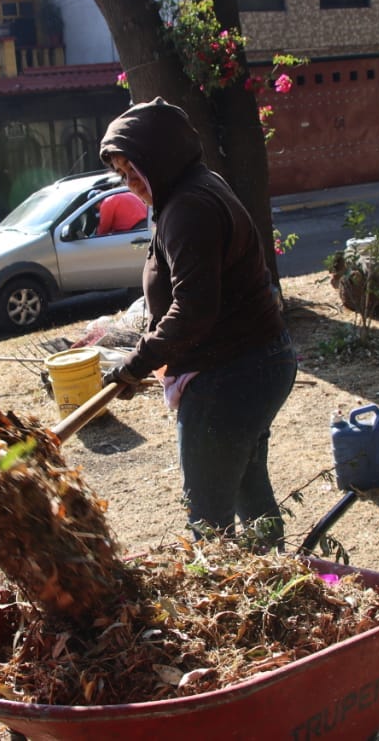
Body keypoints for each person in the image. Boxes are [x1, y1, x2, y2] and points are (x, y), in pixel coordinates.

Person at [98, 98, 296, 551]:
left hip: (230, 374)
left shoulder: (189, 208)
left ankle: (230, 598)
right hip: (257, 362)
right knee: (247, 482)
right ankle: (279, 574)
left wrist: (138, 363)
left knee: (208, 519)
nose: (130, 185)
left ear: (160, 159)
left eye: (135, 171)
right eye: (123, 175)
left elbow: (194, 309)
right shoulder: (192, 189)